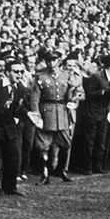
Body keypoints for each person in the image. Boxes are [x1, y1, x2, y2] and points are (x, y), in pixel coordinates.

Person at [29, 50, 77, 185]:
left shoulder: (66, 75)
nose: (51, 63)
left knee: (66, 143)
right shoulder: (40, 77)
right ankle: (45, 173)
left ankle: (61, 170)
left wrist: (74, 99)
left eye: (54, 60)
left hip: (61, 113)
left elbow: (72, 93)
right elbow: (34, 99)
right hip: (46, 112)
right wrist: (36, 116)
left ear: (59, 61)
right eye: (49, 60)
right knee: (43, 145)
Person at [0, 57, 28, 196]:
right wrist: (5, 107)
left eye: (21, 71)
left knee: (13, 157)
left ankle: (10, 187)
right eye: (16, 71)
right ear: (8, 72)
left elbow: (17, 109)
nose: (19, 74)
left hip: (9, 128)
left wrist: (27, 114)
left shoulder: (20, 88)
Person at [77, 53, 110, 174]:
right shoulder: (96, 76)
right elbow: (89, 94)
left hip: (104, 113)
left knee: (101, 141)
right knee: (90, 141)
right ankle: (87, 166)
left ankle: (97, 166)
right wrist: (103, 92)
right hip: (92, 112)